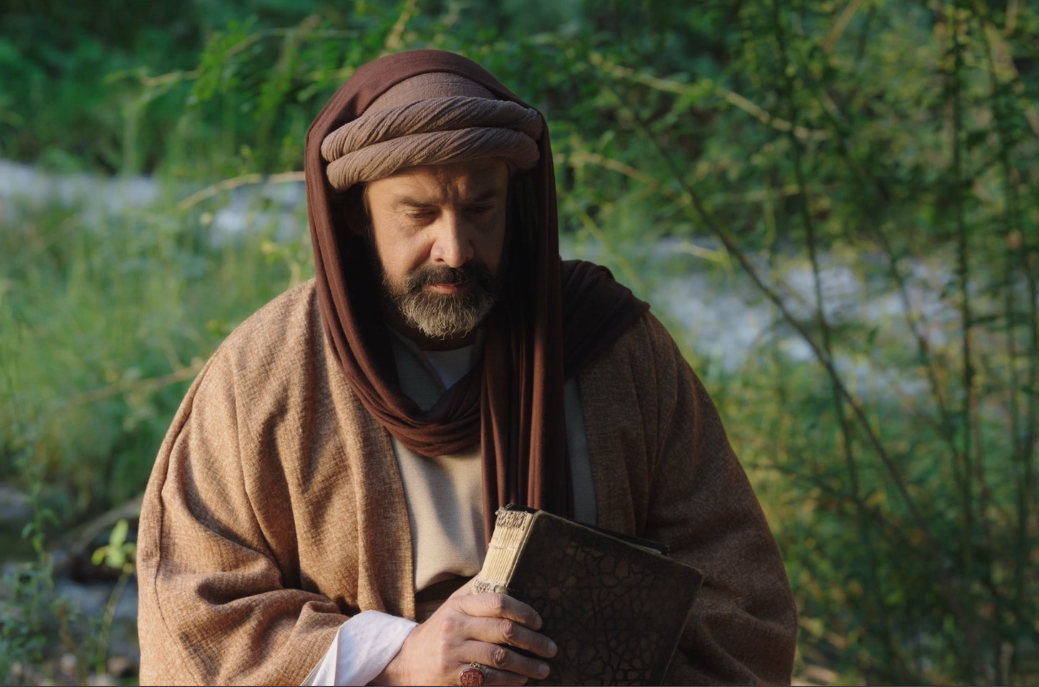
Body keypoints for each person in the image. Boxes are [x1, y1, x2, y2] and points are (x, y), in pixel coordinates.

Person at [136, 49, 796, 686]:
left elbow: (741, 595)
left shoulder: (615, 349)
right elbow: (193, 611)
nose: (454, 248)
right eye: (418, 213)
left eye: (481, 209)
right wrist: (397, 658)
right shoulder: (265, 375)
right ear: (357, 214)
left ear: (515, 201)